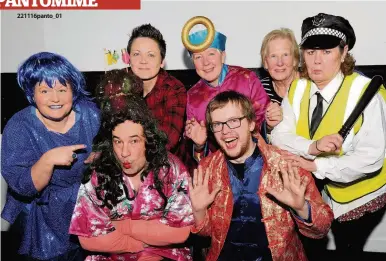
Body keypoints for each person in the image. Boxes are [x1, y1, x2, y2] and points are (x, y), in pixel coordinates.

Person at [271, 13, 386, 260]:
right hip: (316, 190)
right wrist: (312, 147)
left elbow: (372, 157)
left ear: (343, 52)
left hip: (360, 194)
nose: (316, 61)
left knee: (347, 250)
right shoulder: (298, 87)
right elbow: (279, 135)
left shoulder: (366, 93)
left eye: (326, 51)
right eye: (311, 52)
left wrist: (317, 165)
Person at [188, 90, 333, 261]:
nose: (225, 131)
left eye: (234, 121)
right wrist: (198, 211)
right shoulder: (207, 169)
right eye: (218, 124)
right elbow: (207, 235)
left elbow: (322, 229)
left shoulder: (285, 164)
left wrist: (302, 208)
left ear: (251, 123)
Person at [69, 73, 194, 261]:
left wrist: (122, 227)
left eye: (134, 141)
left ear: (148, 140)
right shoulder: (99, 173)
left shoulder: (171, 169)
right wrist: (139, 243)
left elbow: (180, 232)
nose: (124, 152)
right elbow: (88, 239)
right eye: (117, 142)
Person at [1, 52, 101, 260]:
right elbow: (23, 187)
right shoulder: (19, 126)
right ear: (32, 93)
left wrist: (100, 158)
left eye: (62, 89)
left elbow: (110, 147)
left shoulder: (90, 114)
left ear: (73, 91)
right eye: (45, 90)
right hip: (41, 219)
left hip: (85, 209)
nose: (55, 98)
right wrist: (47, 160)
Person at [181, 27, 272, 173]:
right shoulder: (193, 96)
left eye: (211, 53)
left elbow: (266, 123)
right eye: (198, 57)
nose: (205, 62)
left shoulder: (246, 79)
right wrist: (198, 145)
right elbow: (195, 153)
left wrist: (270, 124)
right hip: (218, 172)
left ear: (223, 56)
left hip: (257, 164)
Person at [127, 23, 187, 153]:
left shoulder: (173, 89)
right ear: (129, 59)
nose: (143, 61)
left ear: (162, 61)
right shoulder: (120, 85)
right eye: (137, 54)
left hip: (166, 164)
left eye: (151, 55)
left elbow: (168, 140)